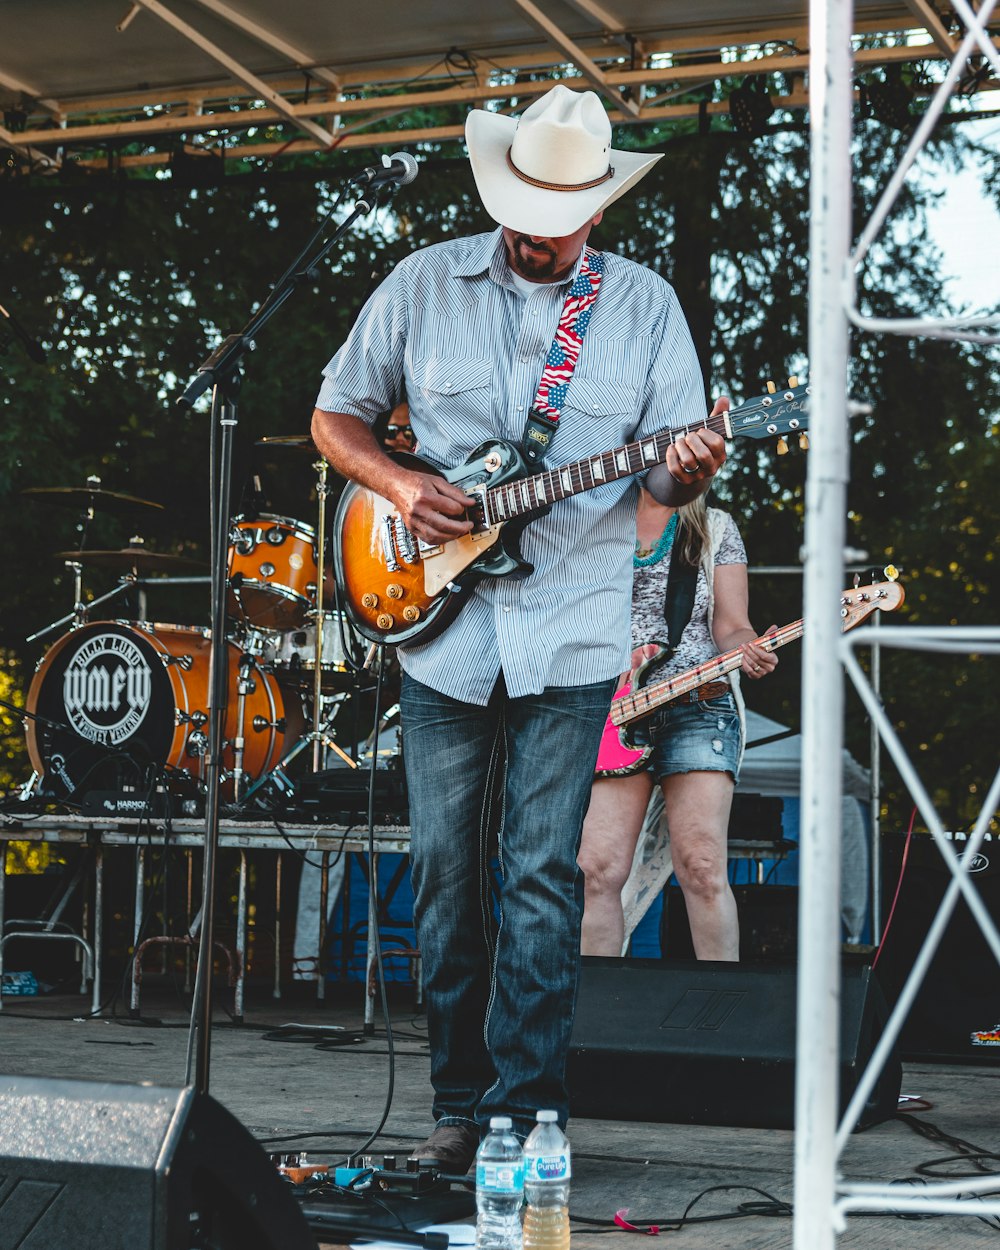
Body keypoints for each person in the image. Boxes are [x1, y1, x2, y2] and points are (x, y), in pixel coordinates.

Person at [310, 83, 727, 1172]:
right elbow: (333, 414)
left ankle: (527, 1111)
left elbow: (665, 476)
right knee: (447, 874)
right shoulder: (421, 284)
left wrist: (684, 470)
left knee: (543, 875)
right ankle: (457, 1104)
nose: (536, 235)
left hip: (573, 631)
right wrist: (400, 488)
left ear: (596, 207)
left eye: (559, 218)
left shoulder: (640, 309)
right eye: (521, 213)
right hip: (439, 628)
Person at [577, 488, 777, 961]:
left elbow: (731, 625)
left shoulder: (715, 528)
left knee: (703, 867)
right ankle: (593, 1019)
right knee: (598, 871)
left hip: (698, 708)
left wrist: (749, 648)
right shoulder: (593, 520)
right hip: (614, 712)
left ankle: (719, 1018)